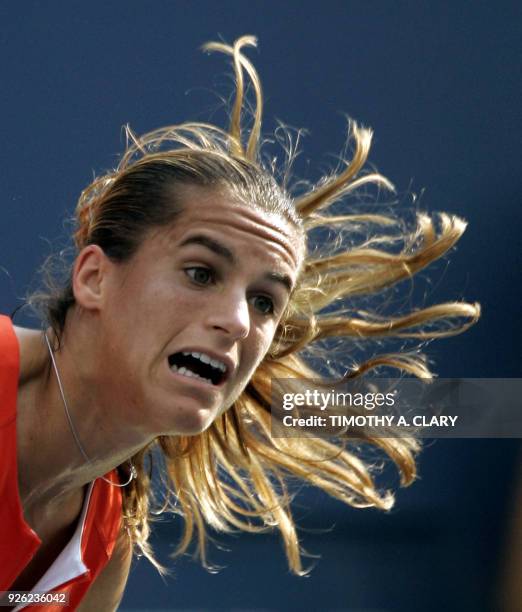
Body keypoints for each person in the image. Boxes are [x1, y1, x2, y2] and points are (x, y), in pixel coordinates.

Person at [0, 36, 479, 610]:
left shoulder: (106, 534)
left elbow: (474, 408)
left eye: (265, 303)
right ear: (94, 278)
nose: (236, 321)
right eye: (201, 273)